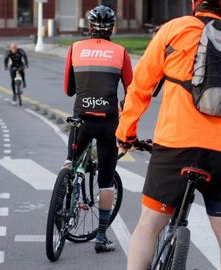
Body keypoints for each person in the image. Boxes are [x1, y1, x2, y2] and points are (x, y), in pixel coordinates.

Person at [116, 1, 221, 269]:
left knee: (149, 225)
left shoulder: (173, 30)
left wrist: (126, 134)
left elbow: (140, 87)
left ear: (194, 4)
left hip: (175, 145)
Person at [63, 5, 133, 253]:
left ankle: (65, 199)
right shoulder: (121, 53)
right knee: (105, 181)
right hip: (107, 122)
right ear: (112, 28)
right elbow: (131, 92)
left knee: (71, 163)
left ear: (89, 27)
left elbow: (68, 90)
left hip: (81, 120)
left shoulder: (75, 49)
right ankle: (101, 237)